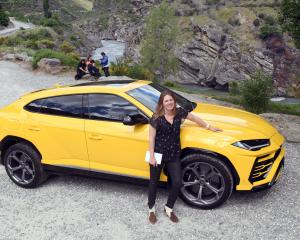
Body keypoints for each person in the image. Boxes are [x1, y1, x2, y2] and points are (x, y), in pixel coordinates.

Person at [148, 90, 222, 224]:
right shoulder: (156, 117)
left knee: (177, 182)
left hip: (174, 154)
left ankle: (168, 208)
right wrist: (152, 156)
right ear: (162, 103)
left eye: (171, 100)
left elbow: (194, 118)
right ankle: (151, 209)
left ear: (174, 101)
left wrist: (209, 127)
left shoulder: (179, 112)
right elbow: (151, 138)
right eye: (166, 101)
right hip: (158, 154)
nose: (169, 103)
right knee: (154, 182)